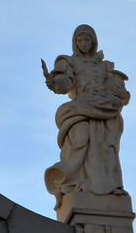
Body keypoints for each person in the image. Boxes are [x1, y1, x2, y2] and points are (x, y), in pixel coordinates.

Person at [42, 24, 130, 207]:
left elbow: (119, 90)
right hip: (80, 108)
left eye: (87, 39)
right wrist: (55, 82)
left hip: (106, 109)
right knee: (80, 139)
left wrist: (123, 94)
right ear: (75, 42)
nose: (84, 43)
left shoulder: (105, 66)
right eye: (80, 40)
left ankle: (112, 186)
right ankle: (71, 181)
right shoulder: (69, 62)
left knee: (108, 147)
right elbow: (65, 84)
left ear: (93, 41)